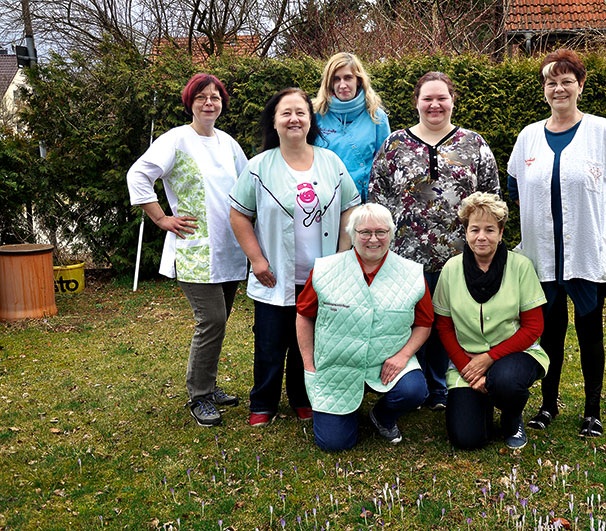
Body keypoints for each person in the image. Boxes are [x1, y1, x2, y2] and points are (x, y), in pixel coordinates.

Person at [507, 49, 606, 438]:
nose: (559, 88)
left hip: (585, 254)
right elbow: (517, 190)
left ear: (580, 86)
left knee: (589, 331)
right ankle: (548, 405)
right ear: (544, 89)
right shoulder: (529, 136)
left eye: (567, 81)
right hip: (542, 257)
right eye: (551, 82)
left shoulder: (601, 131)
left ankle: (592, 411)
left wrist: (597, 224)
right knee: (549, 334)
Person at [369, 71, 501, 411]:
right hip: (405, 257)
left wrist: (486, 246)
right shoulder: (395, 144)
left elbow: (492, 199)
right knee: (412, 321)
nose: (434, 104)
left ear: (452, 100)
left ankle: (443, 388)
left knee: (449, 322)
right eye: (427, 98)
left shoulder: (474, 144)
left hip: (460, 256)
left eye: (441, 97)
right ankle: (412, 384)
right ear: (416, 102)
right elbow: (377, 198)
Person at [229, 88, 360, 427]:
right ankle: (263, 403)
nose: (294, 119)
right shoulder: (259, 167)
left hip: (320, 275)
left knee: (312, 343)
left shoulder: (331, 162)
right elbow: (239, 214)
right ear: (274, 122)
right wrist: (257, 260)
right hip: (275, 274)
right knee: (271, 343)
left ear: (310, 119)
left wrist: (342, 257)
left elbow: (350, 208)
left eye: (301, 112)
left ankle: (304, 398)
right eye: (286, 113)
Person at [127, 73, 248, 427]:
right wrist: (162, 217)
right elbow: (138, 174)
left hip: (230, 248)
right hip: (195, 248)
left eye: (215, 97)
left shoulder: (228, 144)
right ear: (189, 103)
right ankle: (199, 396)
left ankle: (208, 387)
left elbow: (247, 186)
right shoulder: (176, 139)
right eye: (202, 98)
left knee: (219, 322)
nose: (209, 103)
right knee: (210, 320)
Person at [296, 203, 433, 451]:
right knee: (334, 444)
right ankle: (342, 414)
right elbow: (304, 315)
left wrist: (403, 356)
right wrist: (309, 364)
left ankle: (382, 416)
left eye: (381, 232)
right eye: (365, 232)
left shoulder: (411, 273)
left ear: (391, 234)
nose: (373, 239)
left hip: (387, 362)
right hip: (337, 365)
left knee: (414, 391)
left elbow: (424, 323)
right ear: (352, 234)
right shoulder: (326, 269)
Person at [432, 192, 548, 450]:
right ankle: (480, 402)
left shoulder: (521, 267)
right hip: (467, 362)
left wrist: (490, 358)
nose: (481, 237)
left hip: (514, 355)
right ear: (466, 232)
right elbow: (443, 325)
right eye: (474, 229)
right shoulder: (451, 269)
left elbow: (533, 327)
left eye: (489, 230)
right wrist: (467, 369)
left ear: (501, 232)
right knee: (466, 440)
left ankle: (511, 416)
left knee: (505, 381)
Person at [313, 52, 391, 203]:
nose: (342, 85)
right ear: (329, 83)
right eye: (336, 79)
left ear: (359, 81)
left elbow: (384, 167)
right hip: (324, 201)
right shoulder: (316, 115)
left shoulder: (377, 117)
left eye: (348, 77)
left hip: (364, 205)